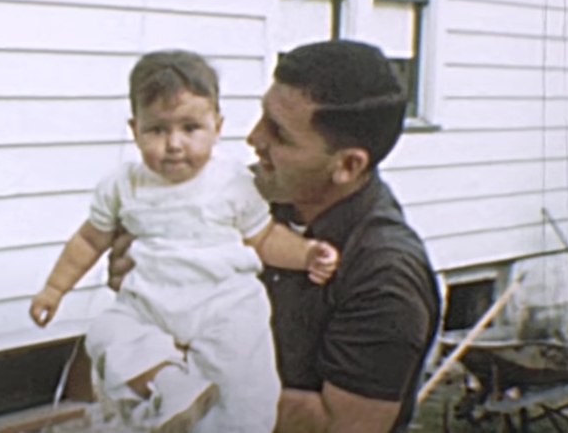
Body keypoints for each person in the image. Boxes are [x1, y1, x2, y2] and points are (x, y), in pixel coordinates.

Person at [107, 40, 441, 433]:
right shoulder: (238, 196)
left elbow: (343, 424)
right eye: (262, 116)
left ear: (347, 165)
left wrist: (186, 381)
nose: (253, 138)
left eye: (279, 134)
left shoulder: (385, 276)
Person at [28, 50, 339, 433]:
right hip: (149, 303)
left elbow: (264, 238)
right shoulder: (123, 185)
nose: (174, 143)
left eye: (190, 128)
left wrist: (306, 253)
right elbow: (90, 240)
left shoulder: (233, 181)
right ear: (134, 129)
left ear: (217, 126)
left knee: (244, 383)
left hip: (224, 302)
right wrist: (54, 289)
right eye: (157, 130)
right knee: (106, 334)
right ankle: (171, 387)